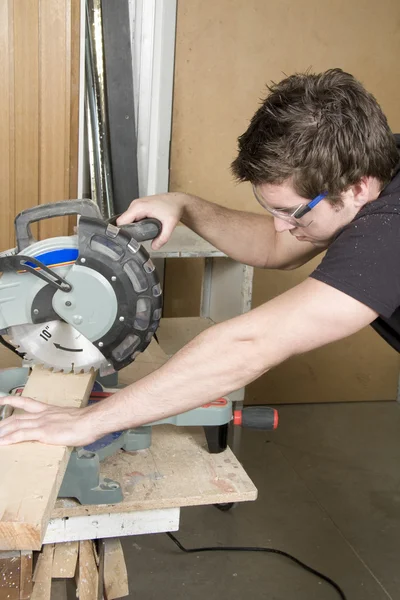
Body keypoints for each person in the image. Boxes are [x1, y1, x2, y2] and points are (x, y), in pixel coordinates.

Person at [0, 68, 399, 446]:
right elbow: (276, 248)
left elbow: (251, 344)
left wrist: (86, 423)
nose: (280, 226)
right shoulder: (374, 160)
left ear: (358, 189)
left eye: (290, 212)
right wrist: (184, 206)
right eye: (273, 210)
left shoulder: (390, 227)